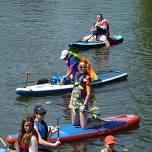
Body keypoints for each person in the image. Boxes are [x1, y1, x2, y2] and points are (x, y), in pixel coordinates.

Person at [69, 61, 92, 128]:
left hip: (83, 101)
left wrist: (84, 105)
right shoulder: (76, 75)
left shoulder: (88, 78)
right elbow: (74, 90)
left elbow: (88, 93)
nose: (82, 68)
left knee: (84, 127)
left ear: (86, 68)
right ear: (78, 67)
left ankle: (100, 123)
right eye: (80, 67)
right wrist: (70, 103)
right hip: (75, 101)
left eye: (84, 67)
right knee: (74, 124)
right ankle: (87, 119)